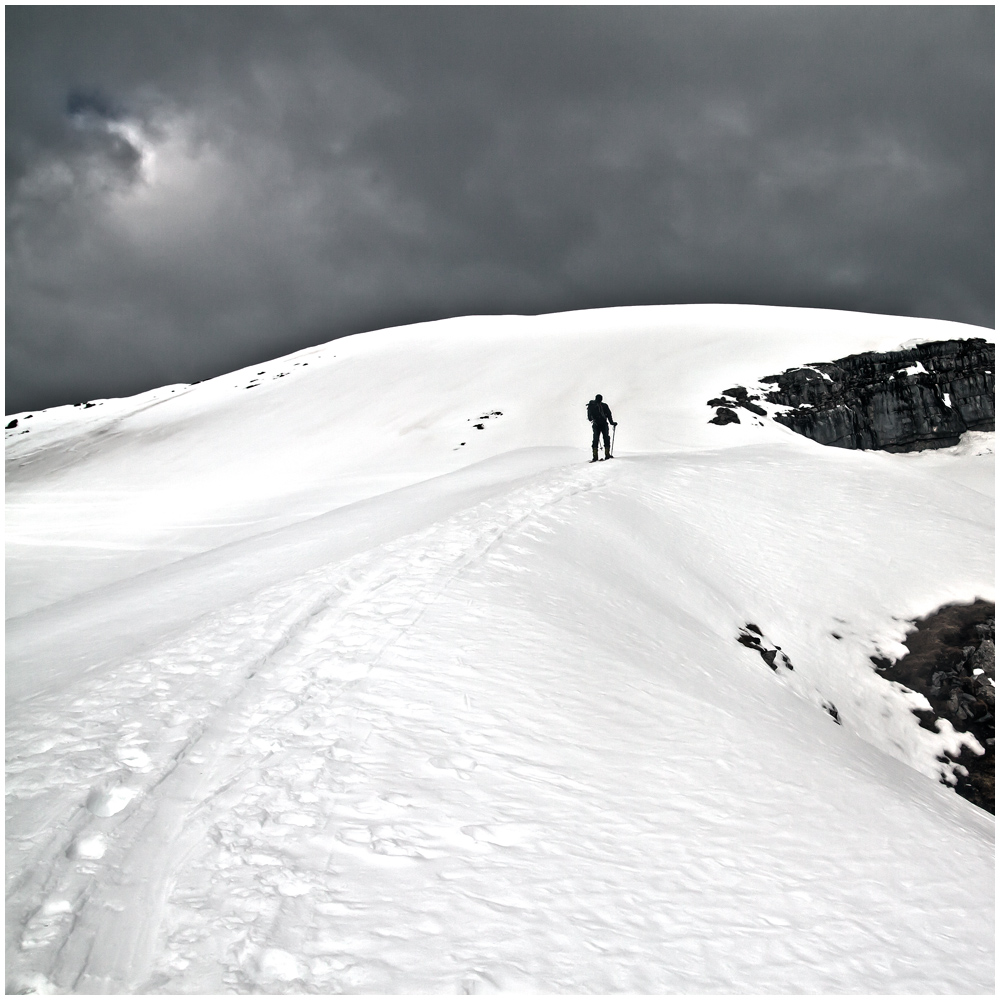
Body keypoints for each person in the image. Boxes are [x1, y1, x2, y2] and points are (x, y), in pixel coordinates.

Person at [587, 393, 617, 462]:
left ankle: (595, 457)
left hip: (596, 424)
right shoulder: (604, 406)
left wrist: (594, 418)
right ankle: (607, 454)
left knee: (595, 439)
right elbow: (609, 415)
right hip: (604, 424)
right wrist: (612, 423)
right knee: (606, 438)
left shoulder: (591, 406)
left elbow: (589, 418)